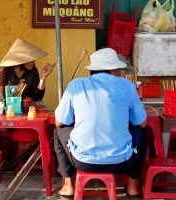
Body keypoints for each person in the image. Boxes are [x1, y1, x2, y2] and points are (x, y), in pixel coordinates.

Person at [53, 48, 147, 197]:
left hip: (81, 160)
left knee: (58, 131)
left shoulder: (76, 85)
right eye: (118, 69)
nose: (120, 73)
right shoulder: (127, 86)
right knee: (143, 132)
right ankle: (133, 183)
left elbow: (59, 122)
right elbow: (141, 123)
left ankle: (68, 183)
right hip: (121, 161)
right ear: (111, 71)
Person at [0, 37, 54, 103]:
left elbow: (37, 97)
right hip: (7, 110)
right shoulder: (3, 71)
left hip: (27, 109)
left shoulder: (33, 71)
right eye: (30, 59)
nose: (33, 62)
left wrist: (43, 78)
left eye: (33, 59)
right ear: (20, 61)